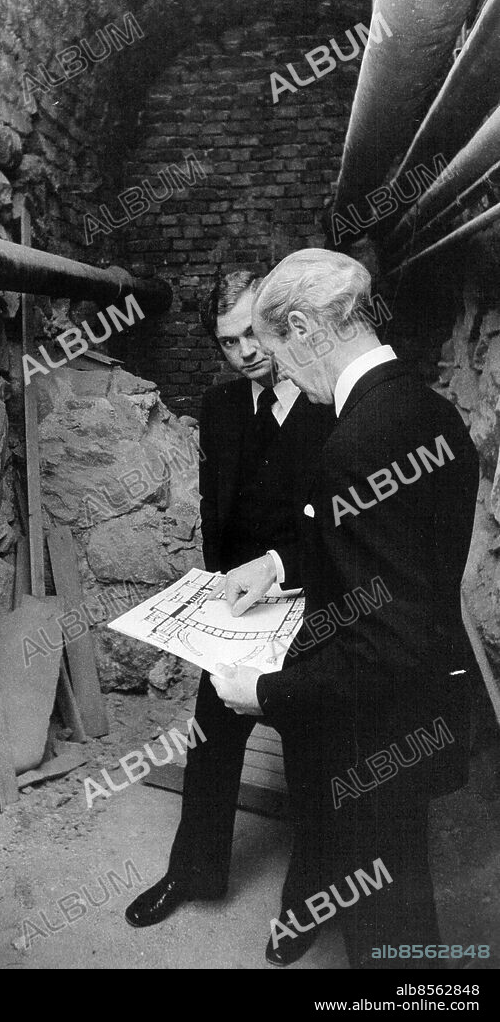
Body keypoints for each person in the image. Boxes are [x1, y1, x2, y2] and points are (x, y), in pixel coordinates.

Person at [211, 249, 479, 969]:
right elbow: (402, 562)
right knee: (403, 897)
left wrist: (261, 690)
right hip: (421, 715)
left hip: (370, 736)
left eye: (276, 354)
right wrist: (277, 564)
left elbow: (380, 645)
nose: (286, 377)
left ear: (302, 327)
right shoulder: (431, 412)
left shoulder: (351, 445)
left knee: (387, 930)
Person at [125, 270, 334, 938]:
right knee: (210, 745)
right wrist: (210, 598)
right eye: (227, 341)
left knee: (312, 761)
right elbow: (218, 511)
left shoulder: (331, 401)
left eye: (252, 332)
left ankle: (306, 904)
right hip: (236, 614)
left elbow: (341, 523)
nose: (244, 350)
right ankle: (193, 871)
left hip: (313, 609)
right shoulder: (218, 406)